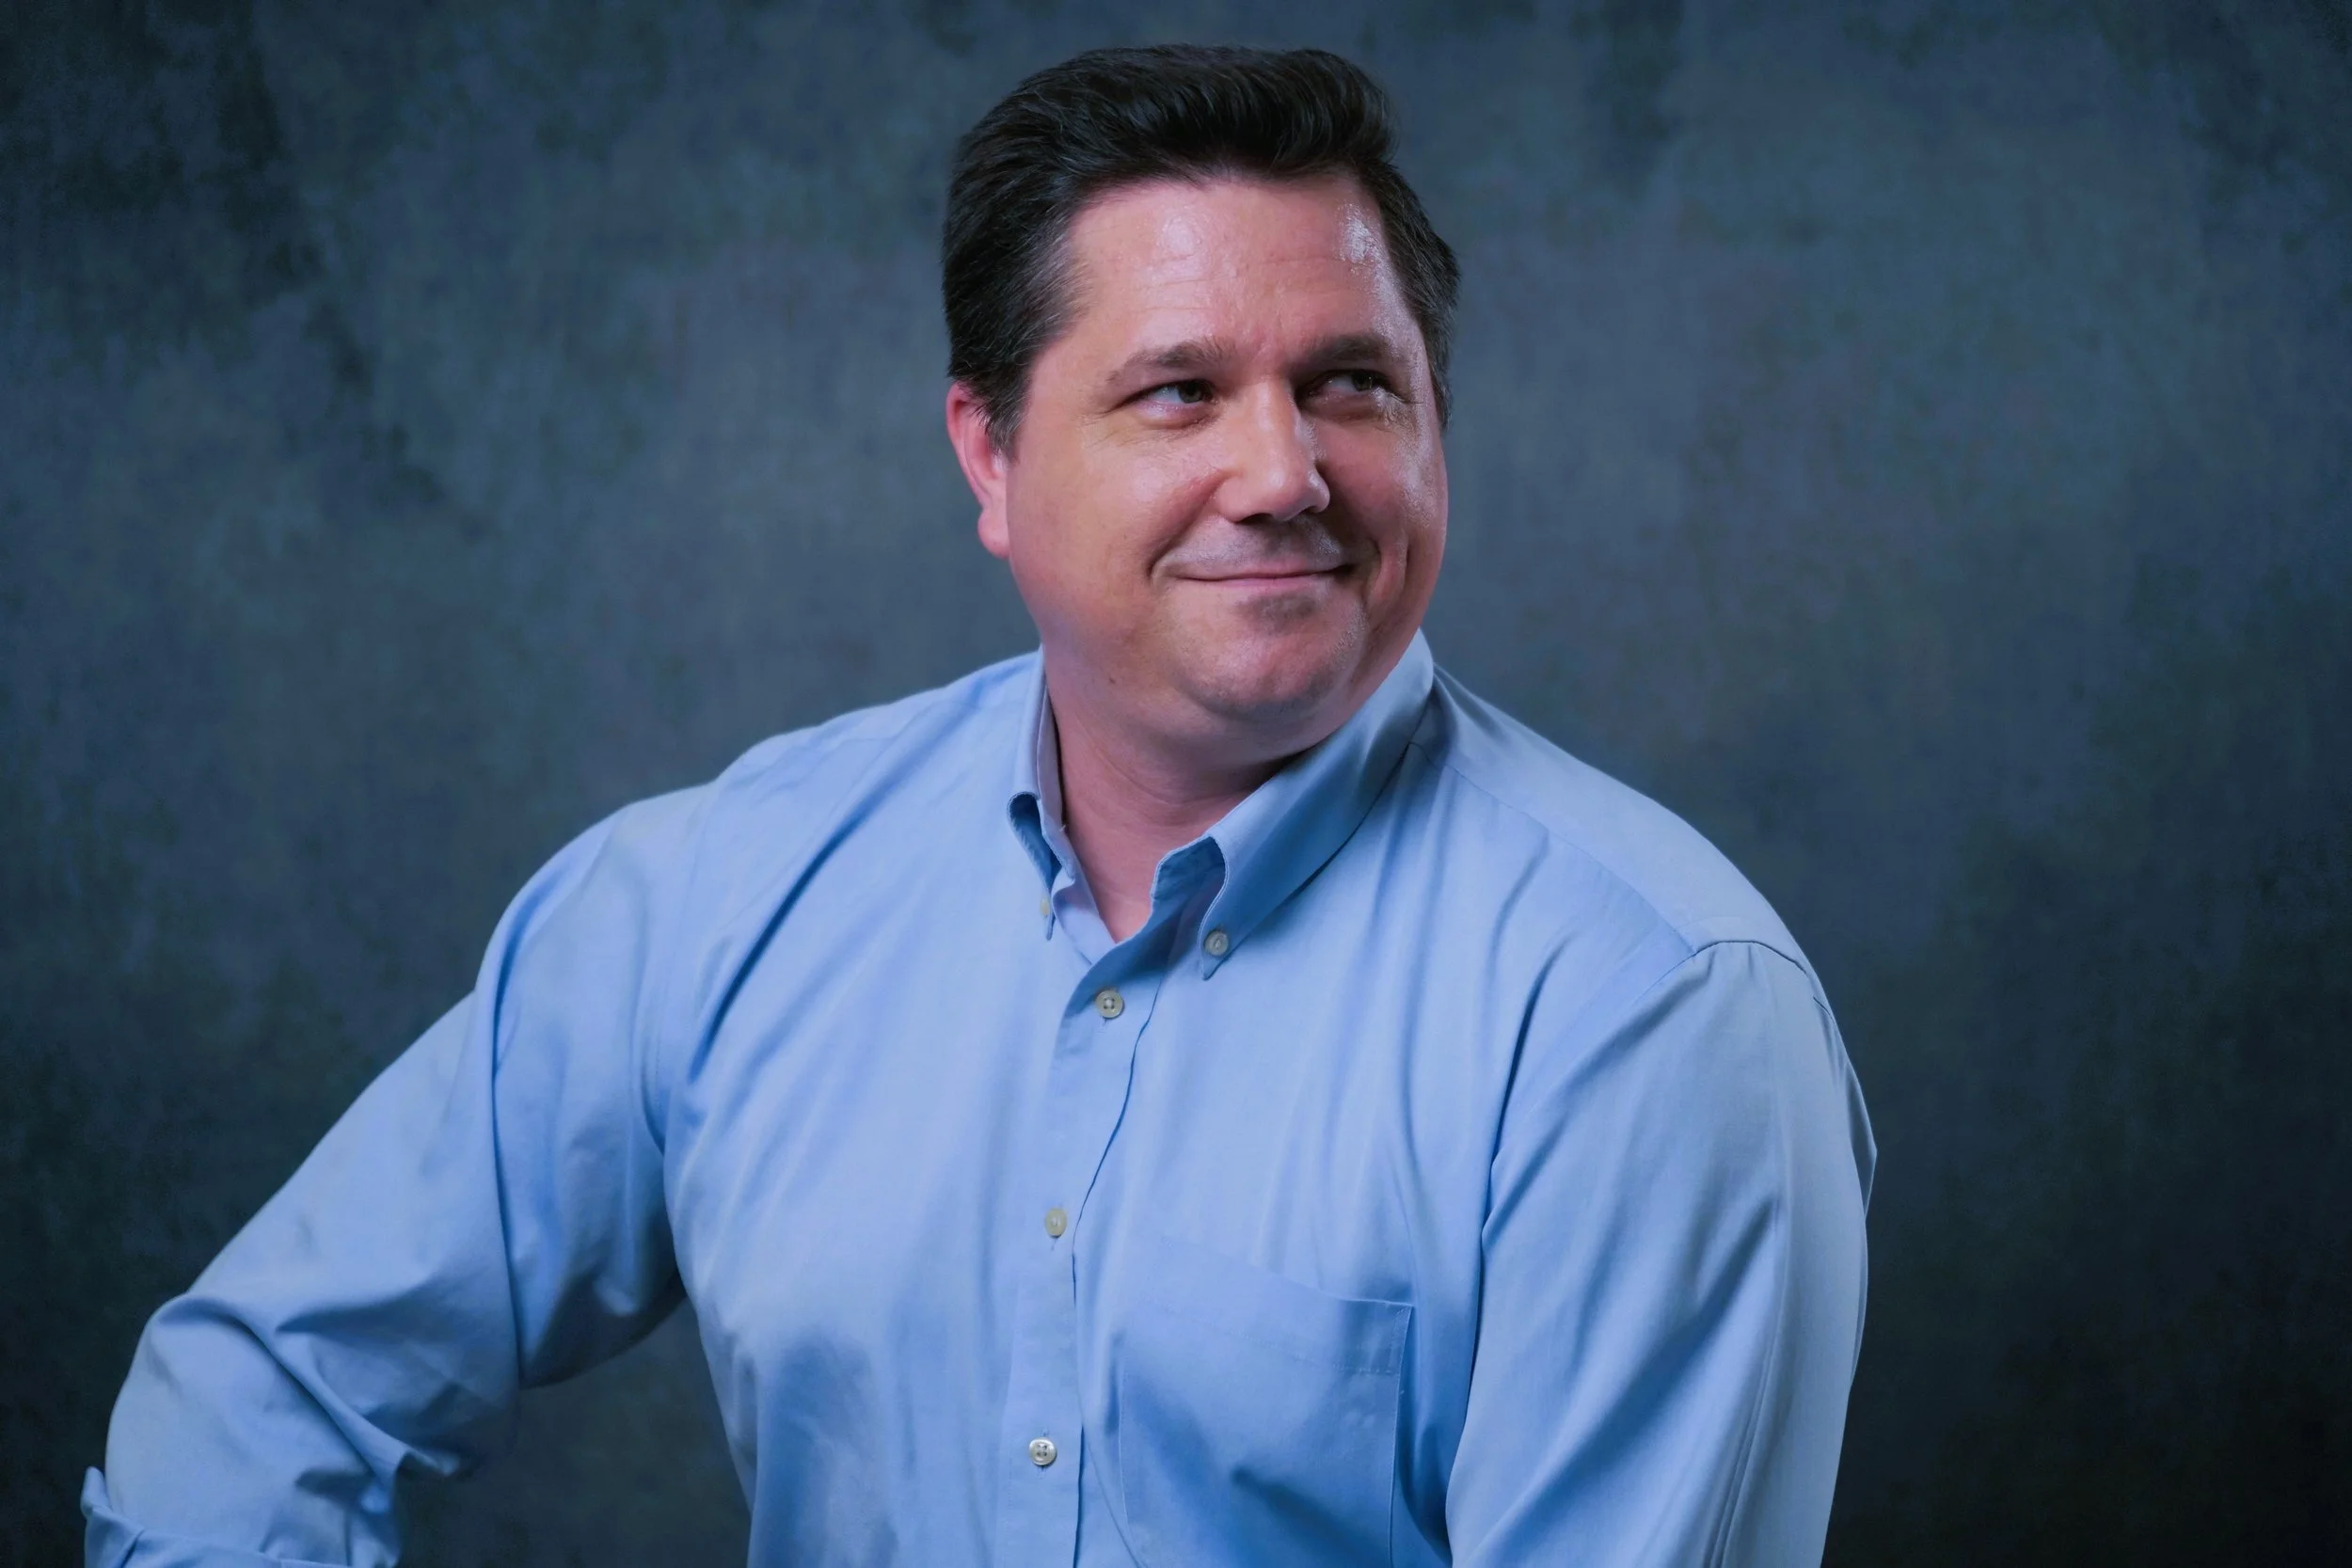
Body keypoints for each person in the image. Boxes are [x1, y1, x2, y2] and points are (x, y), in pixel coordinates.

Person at [85, 44, 1874, 1568]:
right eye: (1180, 391)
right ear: (990, 456)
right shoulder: (730, 892)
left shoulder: (1649, 1011)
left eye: (1352, 383)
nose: (1284, 472)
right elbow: (262, 1390)